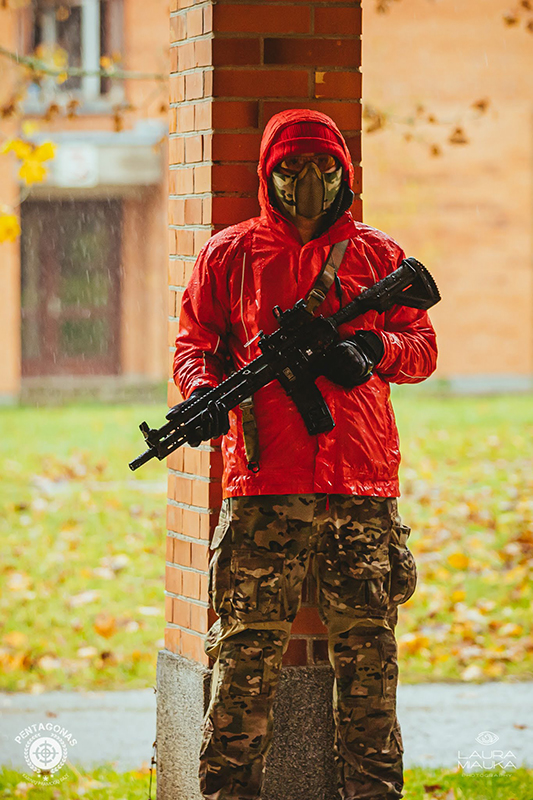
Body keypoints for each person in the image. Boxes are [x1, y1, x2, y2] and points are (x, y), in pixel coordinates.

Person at [172, 109, 438, 800]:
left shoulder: (378, 256)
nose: (308, 181)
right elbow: (195, 344)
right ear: (268, 175)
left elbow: (422, 348)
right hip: (264, 485)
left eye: (322, 166)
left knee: (370, 660)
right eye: (291, 168)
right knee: (244, 656)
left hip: (361, 484)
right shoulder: (230, 255)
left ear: (344, 173)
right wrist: (203, 395)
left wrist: (375, 348)